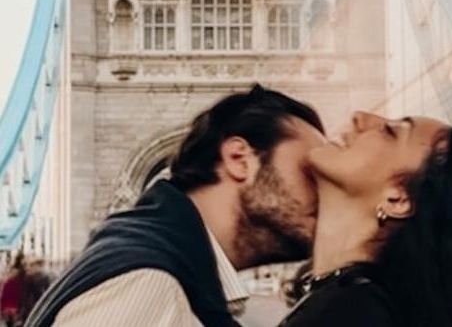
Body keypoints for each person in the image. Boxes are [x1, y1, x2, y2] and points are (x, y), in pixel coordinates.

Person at [25, 84, 326, 327]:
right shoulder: (146, 287)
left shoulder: (166, 269)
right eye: (312, 172)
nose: (328, 192)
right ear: (239, 159)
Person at [280, 111, 452, 327]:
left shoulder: (354, 313)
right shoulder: (349, 301)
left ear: (398, 199)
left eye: (391, 131)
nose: (360, 117)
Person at [0, 252, 27, 327]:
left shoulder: (8, 279)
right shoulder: (22, 279)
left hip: (9, 308)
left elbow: (4, 294)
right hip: (16, 308)